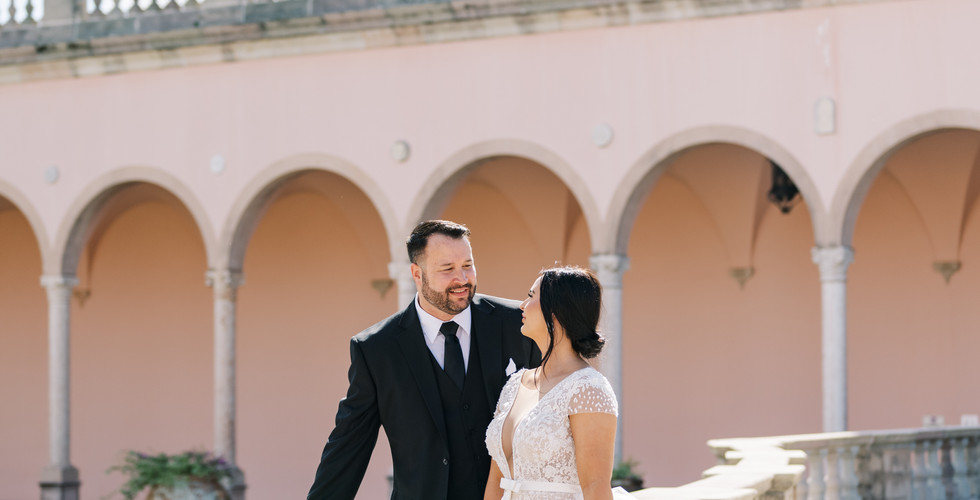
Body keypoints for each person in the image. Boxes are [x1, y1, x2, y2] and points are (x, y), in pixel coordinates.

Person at [308, 220, 541, 500]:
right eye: (447, 269)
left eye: (468, 265)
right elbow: (349, 444)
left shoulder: (517, 323)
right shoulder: (377, 349)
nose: (462, 278)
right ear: (417, 274)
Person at [484, 266, 635, 500]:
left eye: (531, 296)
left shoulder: (589, 389)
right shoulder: (514, 384)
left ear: (555, 311)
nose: (522, 305)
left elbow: (596, 487)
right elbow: (496, 479)